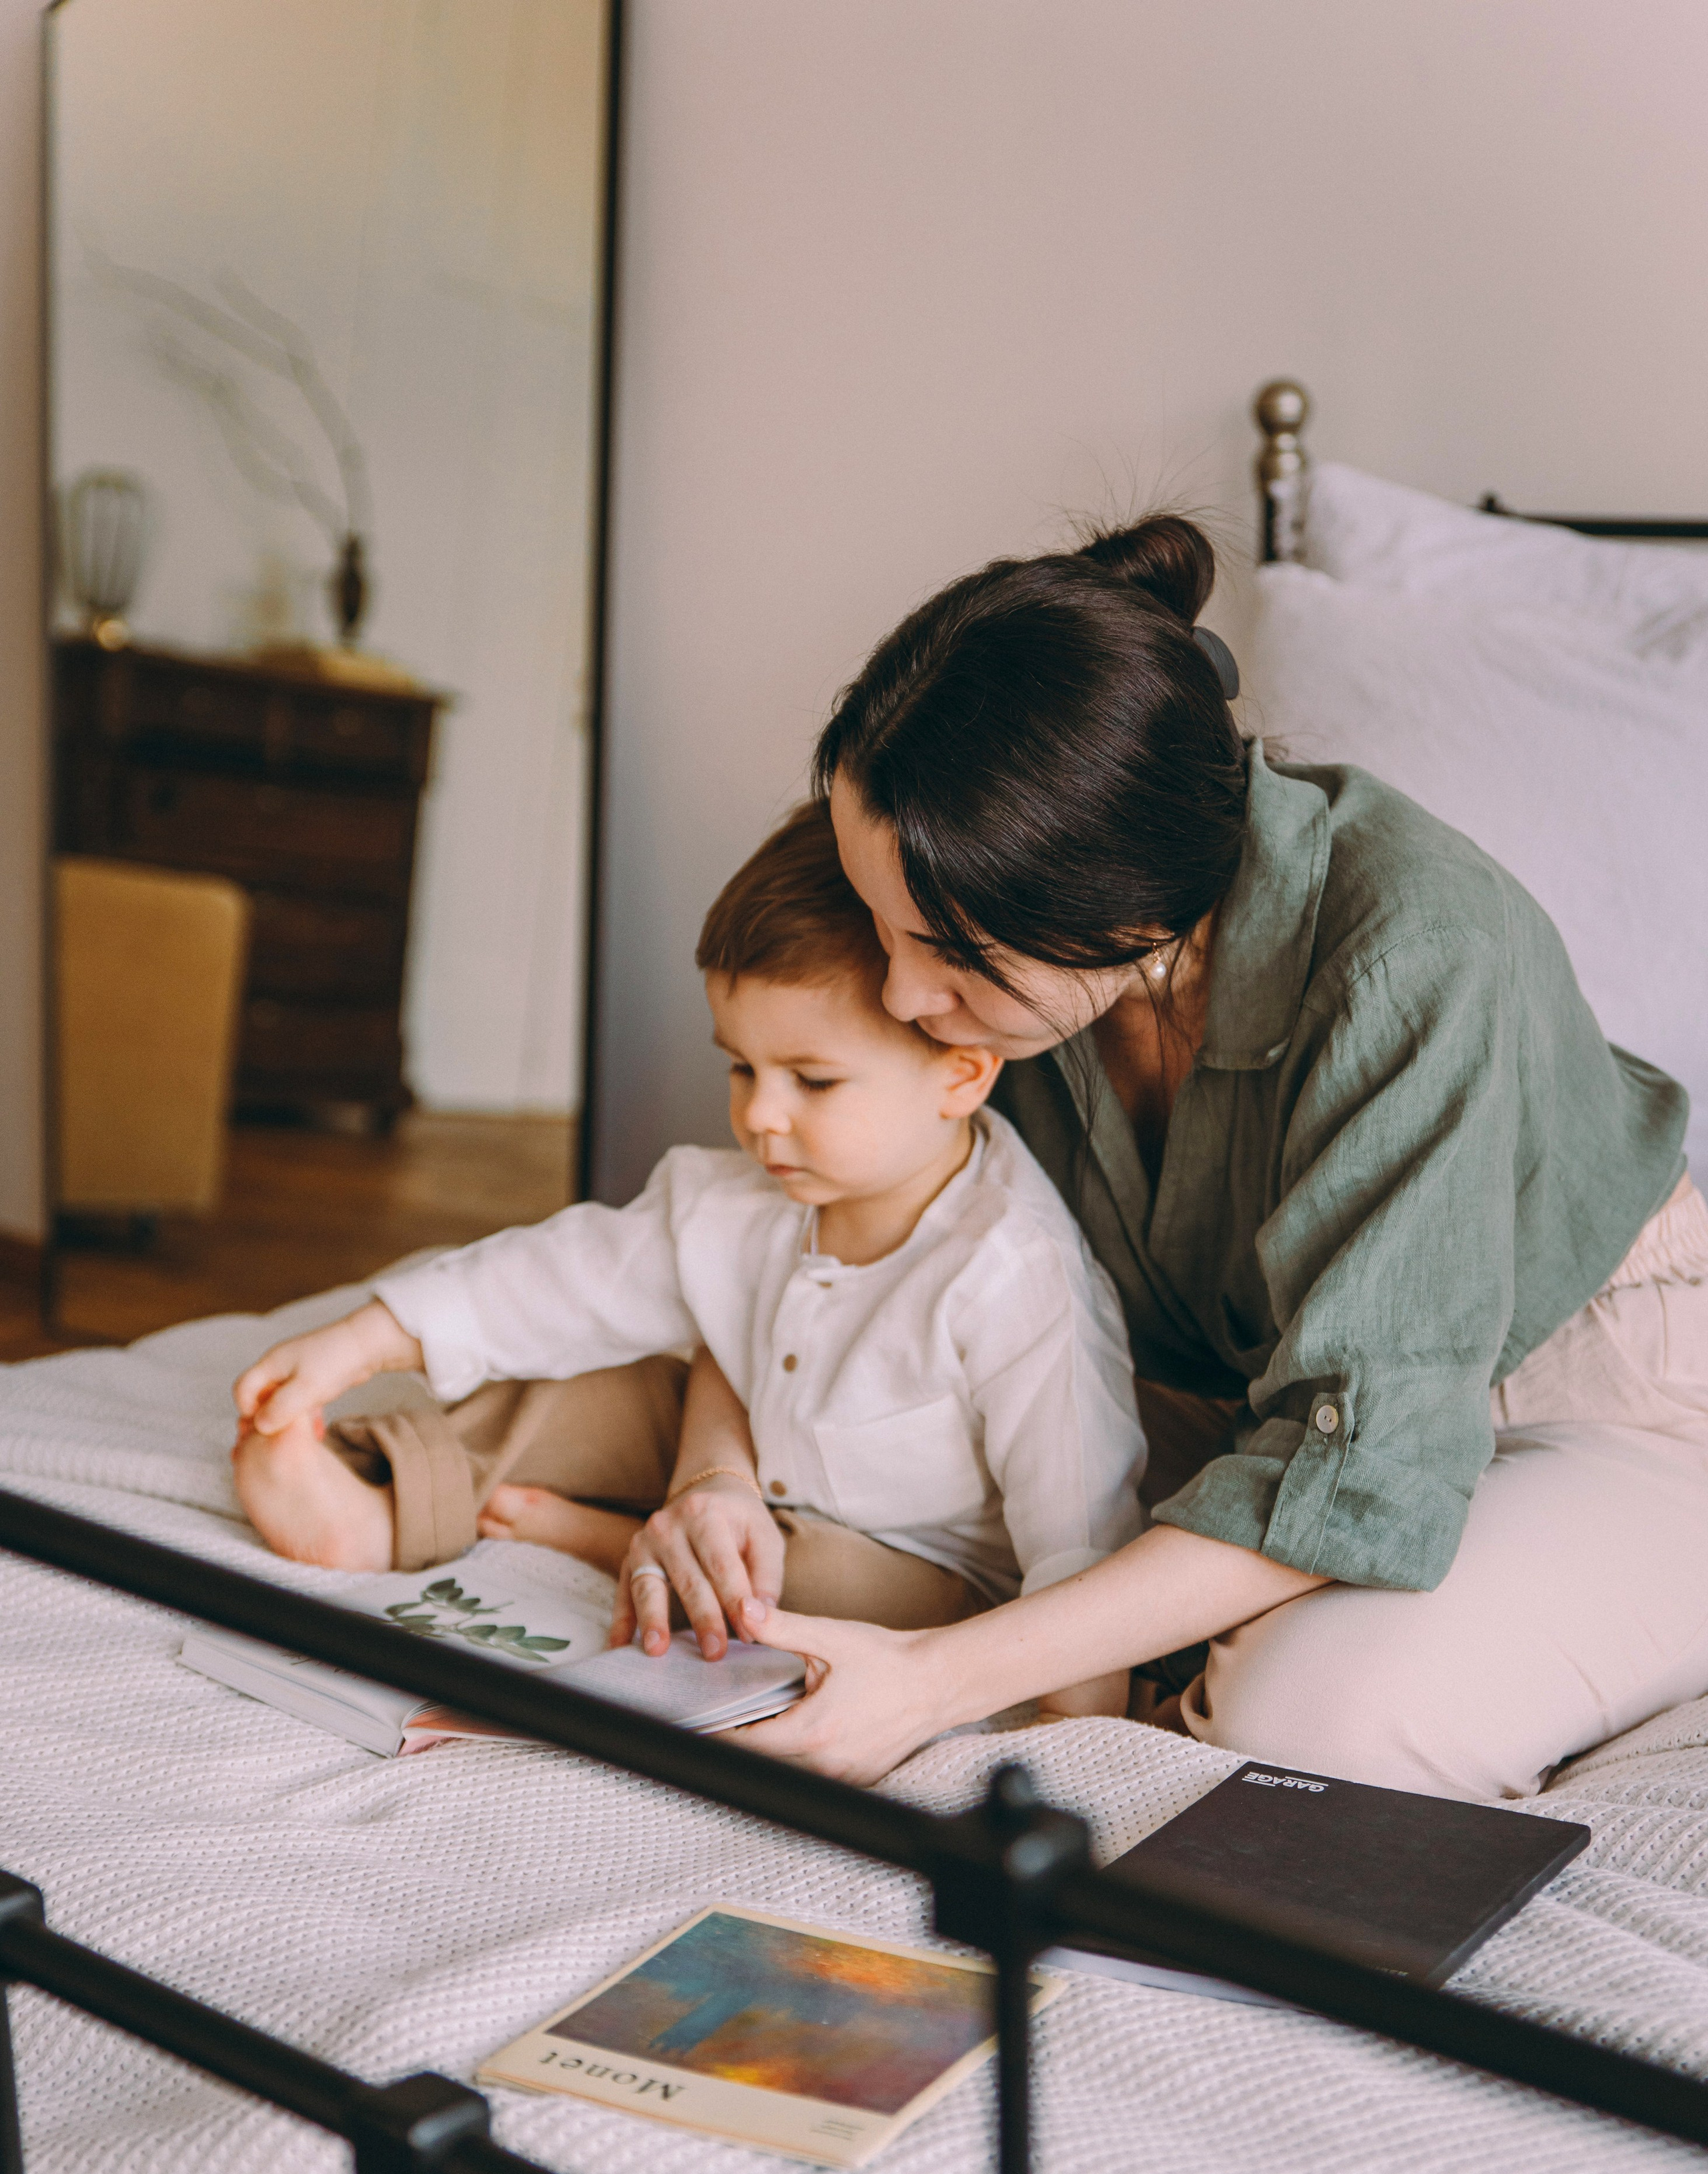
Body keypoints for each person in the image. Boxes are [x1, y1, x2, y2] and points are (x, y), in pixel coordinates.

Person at [639, 514, 1708, 1802]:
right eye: (882, 926)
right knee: (656, 1386)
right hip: (1250, 1396)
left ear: (1128, 919)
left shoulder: (1417, 949)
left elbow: (1356, 1460)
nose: (903, 995)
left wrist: (936, 1681)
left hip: (1601, 1395)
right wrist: (713, 1479)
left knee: (1317, 1720)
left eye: (949, 956)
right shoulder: (1001, 925)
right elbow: (792, 1230)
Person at [230, 803, 1145, 1710]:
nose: (760, 1117)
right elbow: (555, 1281)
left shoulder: (1017, 1281)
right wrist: (364, 1340)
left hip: (909, 1556)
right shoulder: (732, 1197)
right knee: (567, 1380)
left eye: (812, 1081)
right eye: (742, 1069)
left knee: (829, 1580)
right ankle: (387, 1494)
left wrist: (1083, 1716)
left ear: (963, 1072)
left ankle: (605, 1537)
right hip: (739, 1450)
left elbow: (1078, 1536)